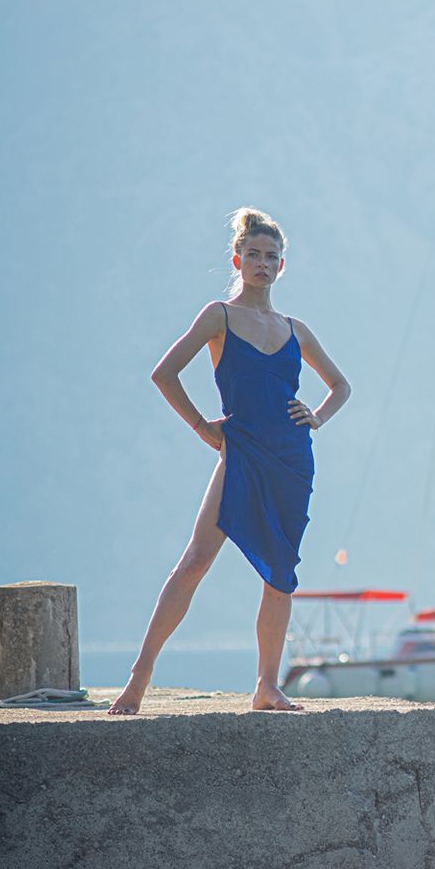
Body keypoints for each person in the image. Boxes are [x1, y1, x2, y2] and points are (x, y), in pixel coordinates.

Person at [109, 208, 353, 714]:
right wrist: (203, 428)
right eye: (254, 254)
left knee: (280, 574)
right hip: (240, 451)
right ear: (238, 259)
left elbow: (341, 386)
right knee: (196, 560)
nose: (262, 263)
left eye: (271, 257)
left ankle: (267, 685)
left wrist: (318, 417)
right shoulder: (218, 316)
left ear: (282, 266)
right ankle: (139, 677)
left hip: (291, 459)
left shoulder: (295, 328)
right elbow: (165, 373)